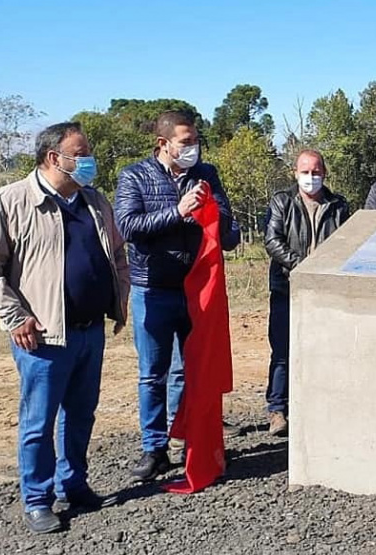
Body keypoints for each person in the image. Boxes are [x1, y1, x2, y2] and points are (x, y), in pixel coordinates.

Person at [0, 122, 129, 533]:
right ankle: (37, 499)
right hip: (42, 337)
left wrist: (120, 296)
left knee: (81, 415)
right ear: (55, 158)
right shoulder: (10, 202)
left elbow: (117, 254)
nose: (90, 160)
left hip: (90, 331)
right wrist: (14, 316)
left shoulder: (94, 201)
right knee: (38, 423)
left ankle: (73, 484)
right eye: (82, 153)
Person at [114, 111, 240, 482]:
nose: (193, 148)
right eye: (186, 142)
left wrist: (215, 216)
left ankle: (187, 440)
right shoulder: (135, 176)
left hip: (196, 289)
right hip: (152, 288)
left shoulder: (206, 174)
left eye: (196, 140)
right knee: (152, 373)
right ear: (163, 144)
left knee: (190, 369)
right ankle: (154, 449)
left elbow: (226, 222)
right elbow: (128, 227)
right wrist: (178, 211)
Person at [264, 149, 350, 436]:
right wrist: (303, 266)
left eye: (315, 171)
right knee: (282, 350)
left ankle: (318, 405)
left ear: (324, 173)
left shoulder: (338, 205)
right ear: (295, 172)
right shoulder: (282, 201)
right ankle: (277, 409)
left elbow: (346, 243)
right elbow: (272, 241)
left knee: (324, 350)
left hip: (325, 291)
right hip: (286, 287)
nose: (310, 177)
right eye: (305, 171)